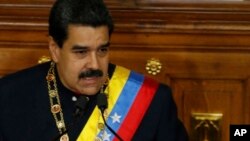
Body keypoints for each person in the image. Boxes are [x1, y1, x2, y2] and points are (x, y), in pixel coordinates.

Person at [0, 0, 188, 140]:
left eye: (102, 50)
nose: (95, 65)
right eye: (81, 52)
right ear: (55, 49)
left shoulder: (152, 101)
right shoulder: (8, 97)